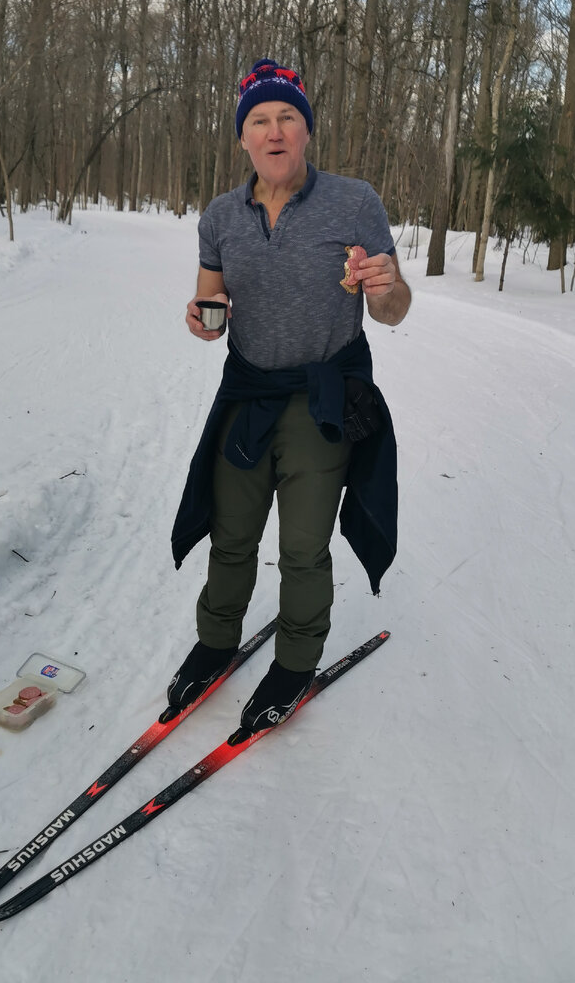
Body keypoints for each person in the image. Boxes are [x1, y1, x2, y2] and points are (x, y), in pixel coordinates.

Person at [167, 57, 411, 735]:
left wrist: (385, 287)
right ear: (243, 137)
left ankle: (296, 662)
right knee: (232, 534)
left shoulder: (354, 202)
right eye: (259, 121)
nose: (274, 133)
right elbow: (210, 298)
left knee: (304, 545)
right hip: (248, 391)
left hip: (323, 396)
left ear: (306, 131)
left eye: (287, 119)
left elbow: (393, 312)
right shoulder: (220, 217)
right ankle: (216, 643)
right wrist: (201, 317)